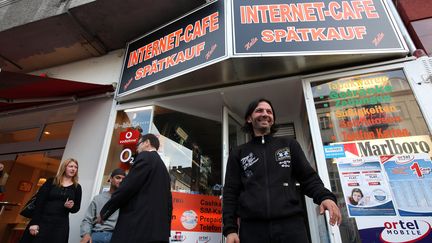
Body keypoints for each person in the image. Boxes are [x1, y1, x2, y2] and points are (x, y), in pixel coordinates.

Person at [223, 98, 341, 243]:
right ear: (249, 118)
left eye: (269, 112)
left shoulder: (289, 145)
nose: (265, 114)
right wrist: (231, 229)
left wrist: (325, 197)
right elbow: (230, 192)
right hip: (252, 230)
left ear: (272, 120)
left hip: (291, 227)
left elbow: (308, 178)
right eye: (259, 110)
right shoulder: (238, 152)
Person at [99, 133, 172, 243]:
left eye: (138, 144)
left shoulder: (145, 157)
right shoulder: (164, 170)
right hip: (157, 233)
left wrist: (105, 212)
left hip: (137, 229)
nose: (137, 149)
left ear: (147, 143)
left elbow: (127, 188)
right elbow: (169, 203)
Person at [20, 158, 82, 243]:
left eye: (76, 167)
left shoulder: (77, 187)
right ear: (64, 167)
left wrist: (71, 207)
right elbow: (39, 203)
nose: (73, 169)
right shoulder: (51, 182)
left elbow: (76, 208)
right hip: (42, 221)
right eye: (71, 166)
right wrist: (34, 223)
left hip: (60, 225)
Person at [80, 168, 126, 243]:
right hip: (98, 235)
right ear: (111, 179)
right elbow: (87, 220)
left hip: (117, 236)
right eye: (118, 178)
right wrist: (86, 234)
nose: (121, 180)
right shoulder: (98, 198)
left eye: (123, 179)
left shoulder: (126, 200)